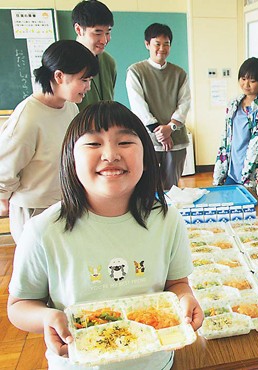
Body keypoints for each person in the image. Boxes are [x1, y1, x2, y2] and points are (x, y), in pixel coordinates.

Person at [7, 101, 203, 370]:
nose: (110, 154)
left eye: (124, 142)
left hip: (154, 363)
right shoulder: (43, 230)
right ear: (70, 159)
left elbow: (177, 283)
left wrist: (185, 299)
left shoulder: (167, 220)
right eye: (93, 144)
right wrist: (46, 318)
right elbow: (19, 305)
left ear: (146, 158)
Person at [0, 40, 98, 243]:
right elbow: (4, 168)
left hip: (65, 201)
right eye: (84, 80)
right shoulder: (28, 118)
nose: (88, 87)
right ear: (59, 76)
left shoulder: (70, 107)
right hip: (34, 210)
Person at [126, 23, 191, 190]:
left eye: (166, 43)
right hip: (149, 140)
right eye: (157, 43)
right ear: (147, 44)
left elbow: (184, 103)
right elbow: (138, 105)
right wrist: (160, 132)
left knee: (172, 189)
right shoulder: (136, 71)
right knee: (147, 188)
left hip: (176, 141)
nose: (162, 48)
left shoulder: (179, 73)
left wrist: (170, 128)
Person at [213, 57, 258, 187]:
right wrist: (220, 172)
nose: (246, 85)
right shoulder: (233, 104)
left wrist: (247, 177)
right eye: (243, 79)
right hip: (232, 170)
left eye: (252, 81)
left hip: (251, 175)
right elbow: (226, 138)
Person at [72, 0, 116, 111]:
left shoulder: (109, 62)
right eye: (98, 33)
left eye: (108, 32)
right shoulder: (65, 62)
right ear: (78, 29)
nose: (104, 40)